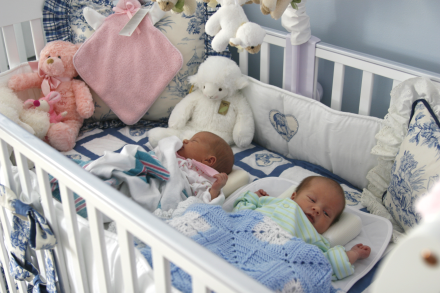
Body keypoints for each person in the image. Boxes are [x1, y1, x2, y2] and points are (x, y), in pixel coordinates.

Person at [233, 176, 371, 280]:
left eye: (326, 213)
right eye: (312, 199)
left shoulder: (316, 240)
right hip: (243, 239)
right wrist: (253, 198)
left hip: (270, 263)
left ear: (329, 226)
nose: (317, 209)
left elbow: (324, 264)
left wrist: (352, 254)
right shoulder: (274, 202)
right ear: (293, 196)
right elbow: (241, 214)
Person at [176, 131, 234, 203]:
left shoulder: (200, 178)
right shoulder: (174, 153)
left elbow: (204, 201)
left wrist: (214, 190)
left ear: (208, 160)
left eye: (193, 141)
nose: (185, 140)